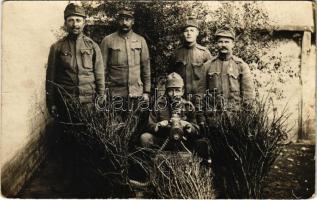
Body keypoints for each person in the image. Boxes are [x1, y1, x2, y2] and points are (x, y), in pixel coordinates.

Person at [45, 3, 105, 186]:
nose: (75, 24)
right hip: (66, 103)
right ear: (65, 23)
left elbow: (99, 73)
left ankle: (85, 178)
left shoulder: (93, 46)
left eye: (78, 20)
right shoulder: (57, 48)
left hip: (88, 102)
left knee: (87, 139)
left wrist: (101, 96)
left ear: (84, 22)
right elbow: (50, 78)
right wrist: (52, 102)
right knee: (66, 140)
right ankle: (67, 179)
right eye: (70, 20)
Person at [140, 72, 207, 155]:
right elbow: (149, 125)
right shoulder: (159, 105)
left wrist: (188, 126)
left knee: (202, 143)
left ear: (182, 91)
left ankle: (197, 165)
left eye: (177, 90)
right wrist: (159, 125)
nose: (174, 94)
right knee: (145, 138)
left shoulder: (188, 106)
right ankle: (151, 163)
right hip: (164, 141)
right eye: (171, 91)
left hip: (184, 141)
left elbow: (197, 129)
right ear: (166, 91)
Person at [100, 6, 151, 114]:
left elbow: (146, 68)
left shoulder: (141, 40)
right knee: (116, 126)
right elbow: (102, 69)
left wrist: (146, 91)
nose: (124, 22)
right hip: (115, 94)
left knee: (135, 125)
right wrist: (102, 92)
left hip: (136, 93)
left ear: (133, 21)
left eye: (127, 19)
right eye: (121, 19)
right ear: (118, 21)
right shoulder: (108, 40)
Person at [170, 15, 212, 125]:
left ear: (197, 32)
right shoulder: (176, 53)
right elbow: (171, 77)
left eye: (192, 30)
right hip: (180, 98)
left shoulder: (204, 53)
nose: (189, 33)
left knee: (200, 128)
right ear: (183, 33)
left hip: (199, 99)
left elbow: (210, 79)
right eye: (186, 31)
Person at [205, 27, 255, 113]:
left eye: (227, 42)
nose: (223, 45)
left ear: (233, 44)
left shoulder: (241, 66)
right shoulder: (208, 66)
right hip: (213, 116)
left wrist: (247, 116)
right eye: (220, 42)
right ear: (216, 44)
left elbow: (248, 95)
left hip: (235, 116)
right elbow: (201, 92)